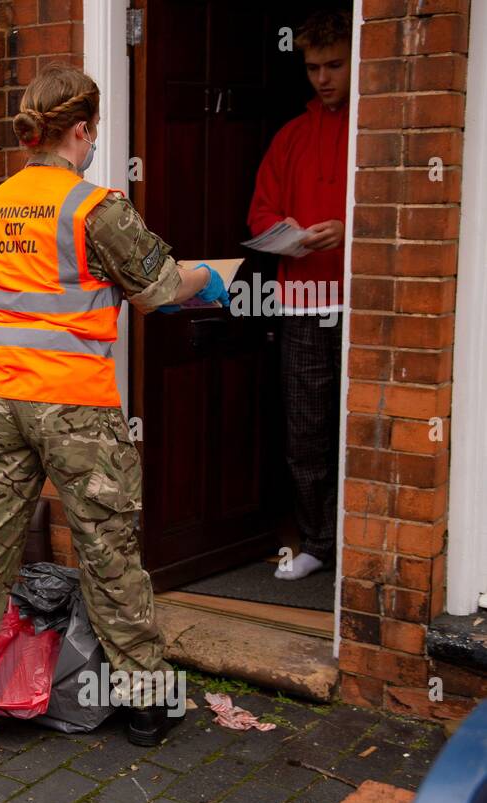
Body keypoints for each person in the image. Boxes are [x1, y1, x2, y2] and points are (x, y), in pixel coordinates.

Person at [0, 65, 228, 746]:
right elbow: (159, 289)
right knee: (108, 549)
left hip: (0, 400)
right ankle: (144, 703)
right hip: (74, 405)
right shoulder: (94, 207)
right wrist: (213, 277)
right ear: (82, 129)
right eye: (95, 128)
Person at [247, 9, 350, 583]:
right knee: (306, 429)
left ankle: (358, 547)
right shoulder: (290, 135)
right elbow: (258, 213)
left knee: (360, 429)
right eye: (313, 67)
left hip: (366, 301)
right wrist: (285, 231)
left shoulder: (374, 128)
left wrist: (349, 229)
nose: (322, 77)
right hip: (303, 301)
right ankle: (317, 542)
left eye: (334, 64)